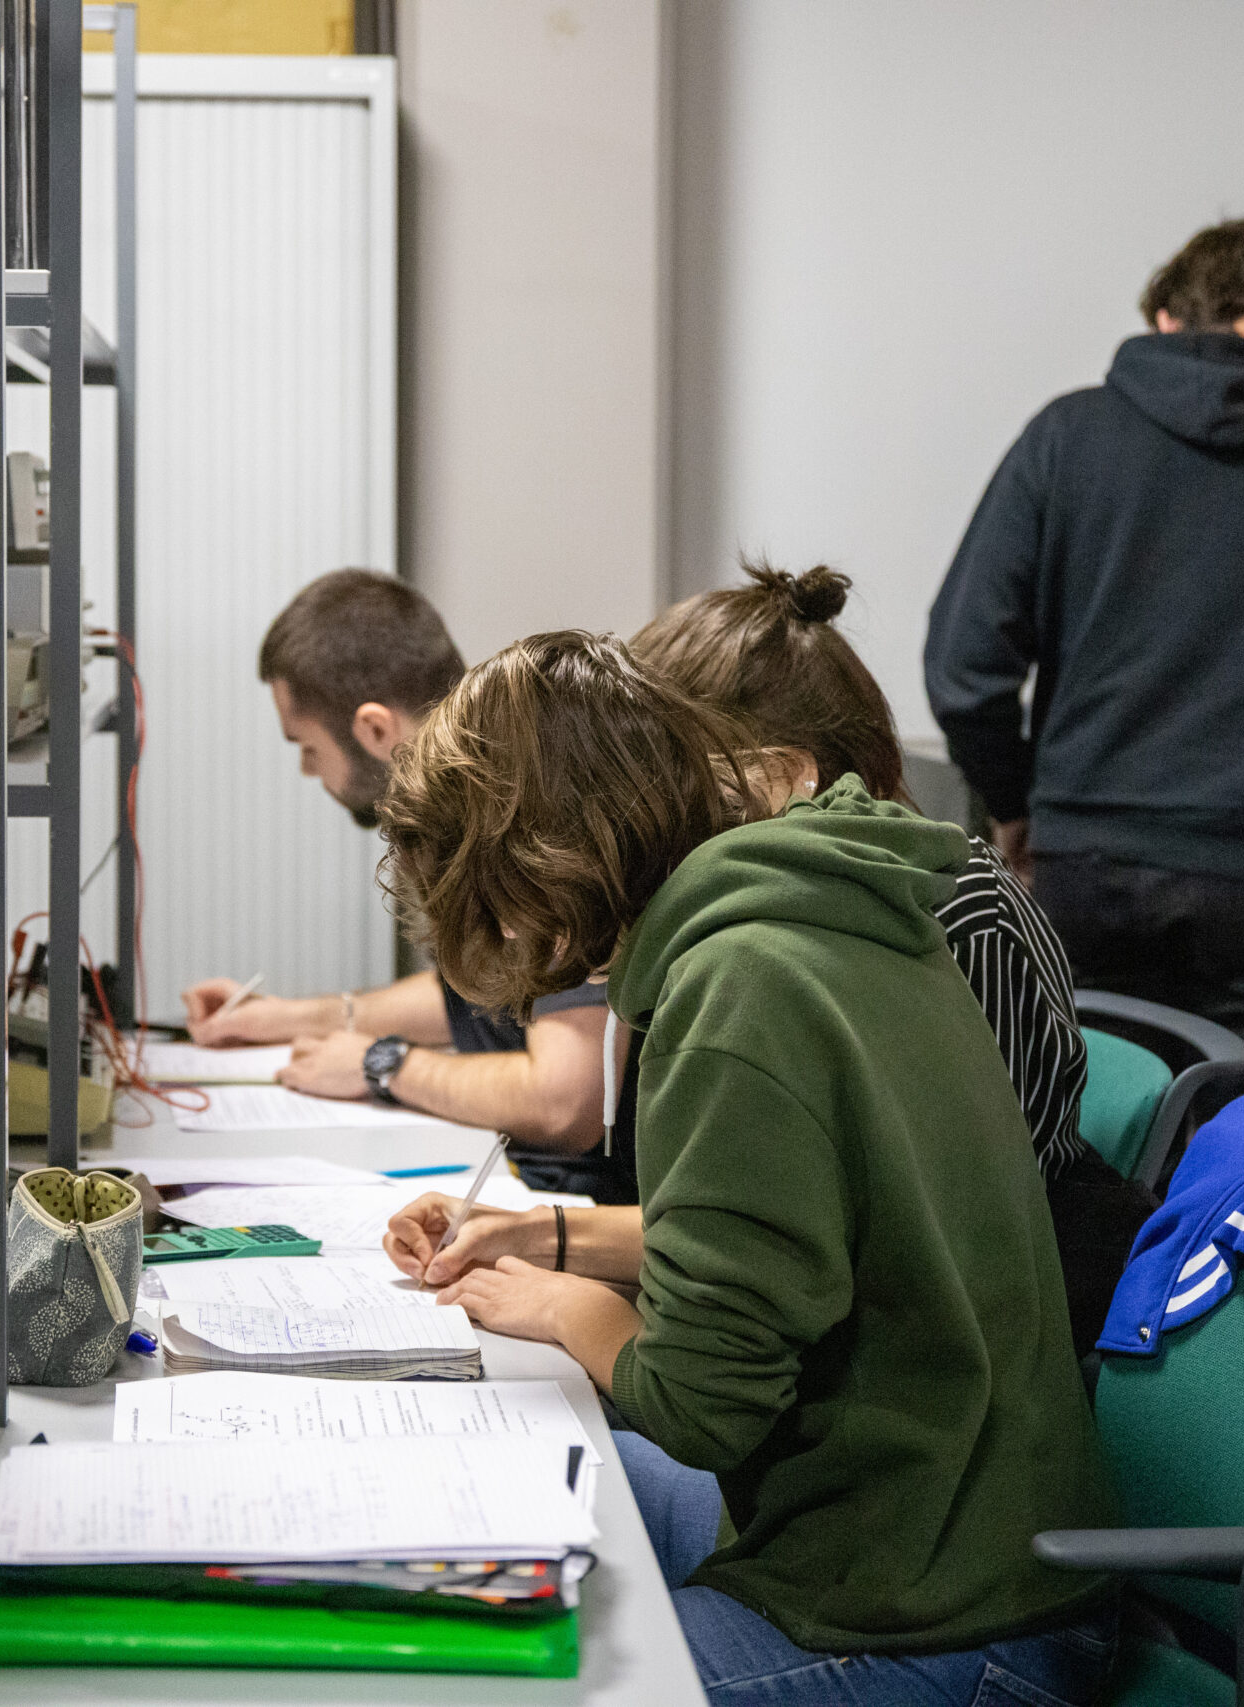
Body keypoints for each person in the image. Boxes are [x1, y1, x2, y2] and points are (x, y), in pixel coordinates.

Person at [378, 633, 1117, 1706]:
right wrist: (552, 1250)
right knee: (505, 1468)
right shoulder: (821, 901)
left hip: (942, 1616)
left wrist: (568, 1309)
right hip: (943, 1527)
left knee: (494, 1684)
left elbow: (701, 1407)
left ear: (540, 866)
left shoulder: (733, 993)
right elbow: (808, 1235)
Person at [923, 214, 1244, 1096]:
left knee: (1078, 1134)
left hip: (1089, 871)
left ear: (1162, 320)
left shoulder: (1064, 439)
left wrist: (1020, 802)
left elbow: (964, 669)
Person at [631, 559, 1151, 1355]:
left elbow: (937, 1237)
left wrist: (572, 1283)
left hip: (957, 1353)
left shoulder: (957, 917)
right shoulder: (767, 923)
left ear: (778, 776)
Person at [179, 569, 623, 1197]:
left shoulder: (531, 819)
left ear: (375, 729)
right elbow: (485, 999)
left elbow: (565, 1103)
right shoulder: (483, 801)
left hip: (576, 1202)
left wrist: (383, 1064)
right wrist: (285, 1018)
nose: (308, 771)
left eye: (307, 747)